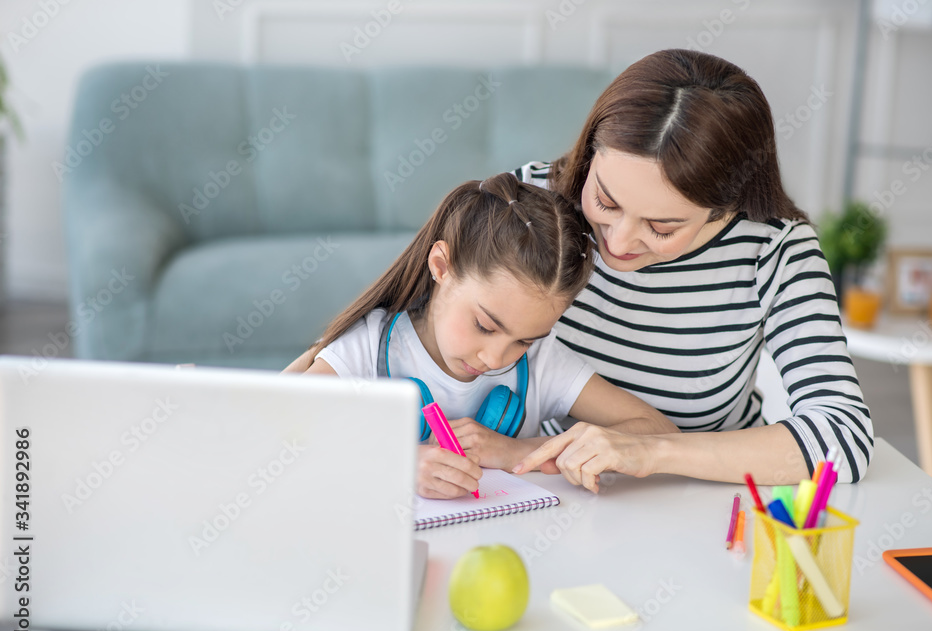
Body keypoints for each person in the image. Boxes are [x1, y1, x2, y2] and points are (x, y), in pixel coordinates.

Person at [508, 49, 874, 492]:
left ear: (724, 209)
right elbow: (414, 329)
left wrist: (653, 451)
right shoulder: (528, 205)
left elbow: (844, 436)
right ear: (591, 152)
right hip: (543, 487)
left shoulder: (774, 249)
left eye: (661, 227)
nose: (618, 243)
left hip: (707, 503)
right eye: (605, 201)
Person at [282, 173, 676, 499]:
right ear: (441, 265)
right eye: (485, 326)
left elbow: (657, 431)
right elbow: (283, 428)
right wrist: (397, 461)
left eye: (524, 340)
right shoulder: (369, 346)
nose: (496, 359)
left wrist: (518, 451)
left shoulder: (541, 363)